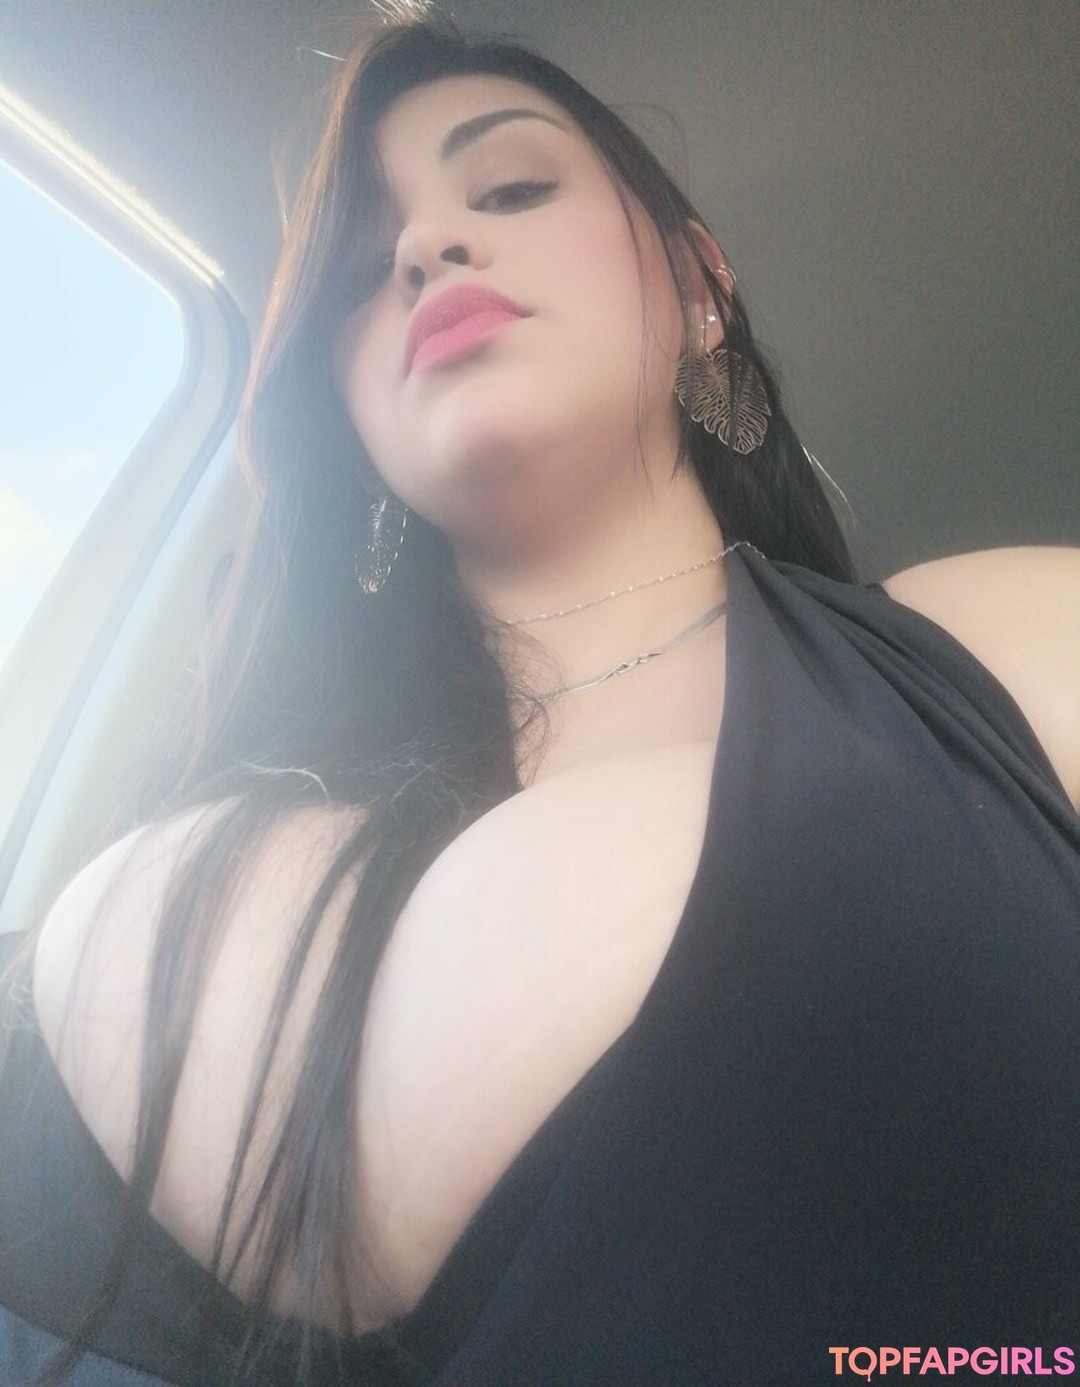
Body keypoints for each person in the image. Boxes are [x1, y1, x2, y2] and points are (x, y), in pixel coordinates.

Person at [1, 11, 1078, 1386]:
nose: (424, 246)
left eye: (510, 187)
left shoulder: (999, 642)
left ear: (698, 288)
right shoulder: (217, 846)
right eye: (363, 266)